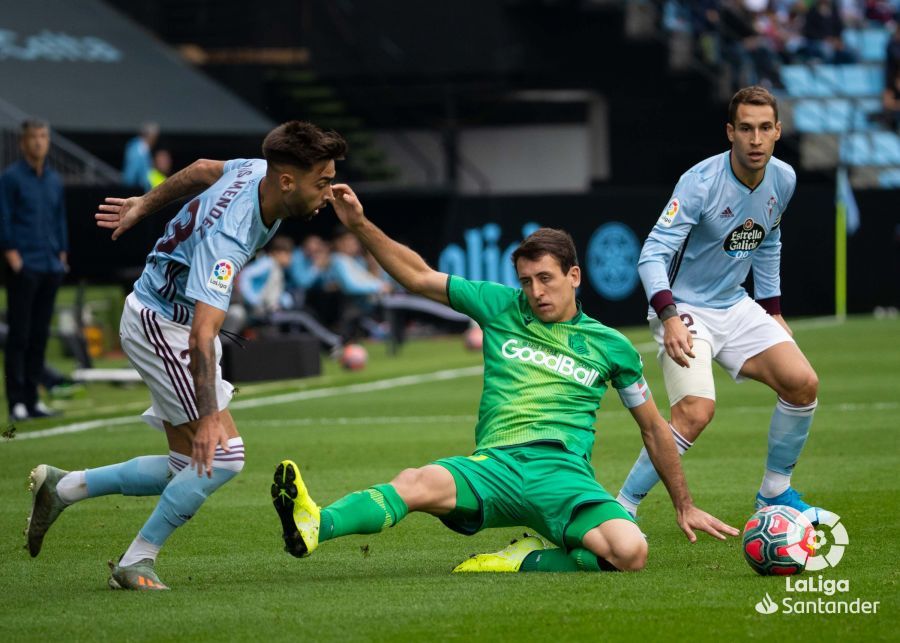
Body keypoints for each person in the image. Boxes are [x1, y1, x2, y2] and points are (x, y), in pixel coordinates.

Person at [271, 194, 737, 575]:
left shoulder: (612, 346)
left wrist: (685, 504)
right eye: (527, 280)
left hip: (563, 477)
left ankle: (525, 559)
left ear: (574, 276)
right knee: (414, 482)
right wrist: (359, 224)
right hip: (493, 466)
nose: (536, 291)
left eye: (546, 279)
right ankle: (317, 524)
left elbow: (655, 428)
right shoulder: (499, 306)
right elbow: (416, 276)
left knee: (631, 551)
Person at [25, 121, 347, 590]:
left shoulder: (256, 169)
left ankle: (64, 486)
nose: (328, 193)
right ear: (286, 181)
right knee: (224, 456)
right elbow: (200, 337)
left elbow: (198, 171)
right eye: (322, 182)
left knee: (187, 467)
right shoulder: (229, 239)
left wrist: (142, 204)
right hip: (164, 326)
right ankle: (136, 561)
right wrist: (211, 415)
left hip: (165, 318)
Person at [616, 86, 826, 525]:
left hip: (735, 303)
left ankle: (774, 494)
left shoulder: (783, 178)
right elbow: (652, 254)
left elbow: (769, 240)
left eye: (765, 128)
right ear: (730, 132)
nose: (755, 139)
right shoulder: (700, 182)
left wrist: (772, 310)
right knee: (694, 413)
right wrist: (670, 318)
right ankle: (622, 508)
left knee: (802, 383)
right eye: (745, 128)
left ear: (778, 131)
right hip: (684, 306)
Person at [0, 119, 68, 422]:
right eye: (34, 137)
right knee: (20, 335)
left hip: (50, 265)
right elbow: (4, 217)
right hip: (24, 265)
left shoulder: (53, 180)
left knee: (40, 335)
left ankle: (34, 398)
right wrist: (12, 254)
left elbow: (59, 218)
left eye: (44, 136)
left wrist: (62, 254)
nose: (39, 142)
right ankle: (15, 401)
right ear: (23, 142)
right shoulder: (11, 178)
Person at [122, 122, 159, 192]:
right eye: (155, 137)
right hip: (136, 190)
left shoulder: (141, 148)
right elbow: (132, 174)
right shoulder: (138, 148)